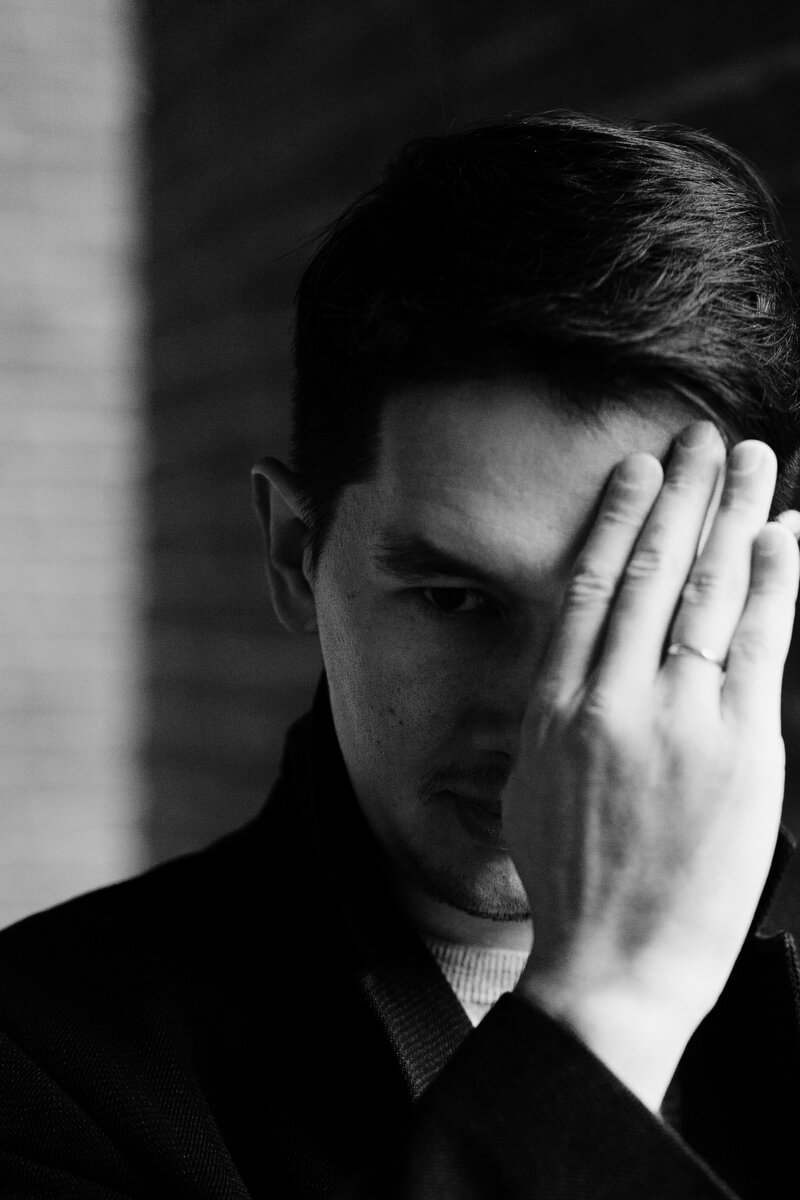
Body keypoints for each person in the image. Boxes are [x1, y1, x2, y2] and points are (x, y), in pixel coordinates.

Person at [1, 111, 799, 1199]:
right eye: (454, 599)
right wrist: (605, 1006)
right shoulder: (37, 1063)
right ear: (295, 553)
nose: (548, 713)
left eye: (629, 605)